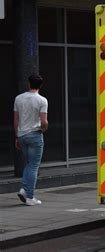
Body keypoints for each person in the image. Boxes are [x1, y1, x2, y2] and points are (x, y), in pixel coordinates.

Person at [13, 74, 48, 206]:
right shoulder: (42, 100)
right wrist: (44, 128)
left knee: (29, 164)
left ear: (29, 84)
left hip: (22, 135)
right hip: (34, 135)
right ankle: (30, 197)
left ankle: (24, 190)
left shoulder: (18, 98)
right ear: (41, 85)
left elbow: (16, 119)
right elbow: (44, 122)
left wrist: (17, 136)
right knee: (33, 166)